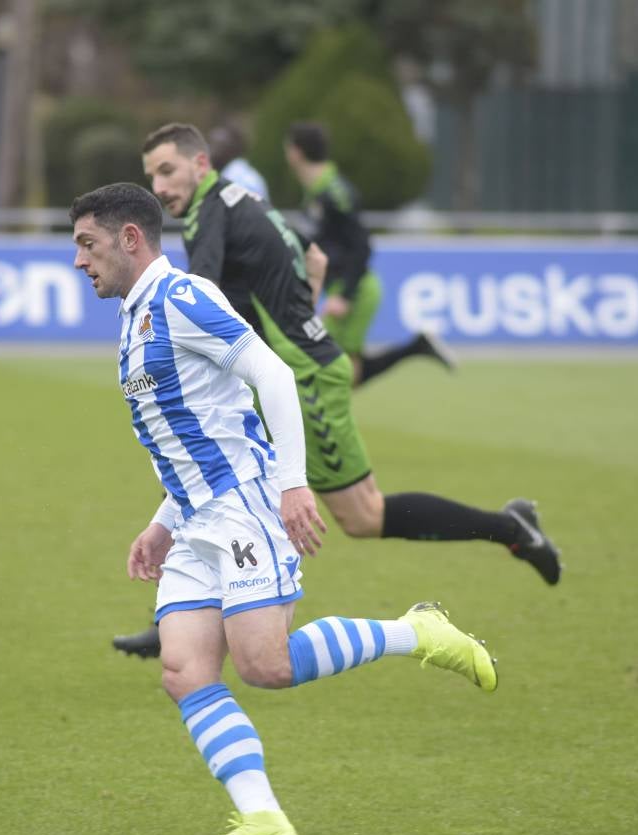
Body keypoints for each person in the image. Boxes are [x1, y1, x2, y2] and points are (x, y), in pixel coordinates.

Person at [70, 181, 497, 835]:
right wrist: (161, 521)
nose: (78, 261)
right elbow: (197, 425)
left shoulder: (184, 299)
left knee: (265, 665)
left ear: (130, 239)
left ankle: (416, 631)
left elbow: (271, 376)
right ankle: (262, 819)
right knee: (183, 670)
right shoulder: (136, 315)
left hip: (241, 506)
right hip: (191, 522)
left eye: (87, 245)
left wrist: (294, 483)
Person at [111, 123, 560, 660]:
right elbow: (316, 257)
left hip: (300, 379)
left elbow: (194, 295)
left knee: (360, 514)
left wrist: (288, 335)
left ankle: (510, 528)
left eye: (167, 170)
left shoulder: (210, 213)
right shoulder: (244, 199)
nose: (159, 187)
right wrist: (299, 319)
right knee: (211, 468)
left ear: (201, 165)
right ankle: (176, 619)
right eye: (152, 176)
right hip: (300, 364)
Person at [284, 120, 455, 386]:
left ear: (295, 152)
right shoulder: (318, 192)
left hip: (357, 291)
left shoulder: (336, 193)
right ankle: (416, 348)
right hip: (342, 287)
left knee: (330, 369)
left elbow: (362, 245)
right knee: (341, 372)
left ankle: (324, 425)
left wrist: (345, 295)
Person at [207, 123, 269, 201]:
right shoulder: (228, 175)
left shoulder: (239, 180)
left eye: (217, 145)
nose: (210, 151)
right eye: (209, 143)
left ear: (233, 149)